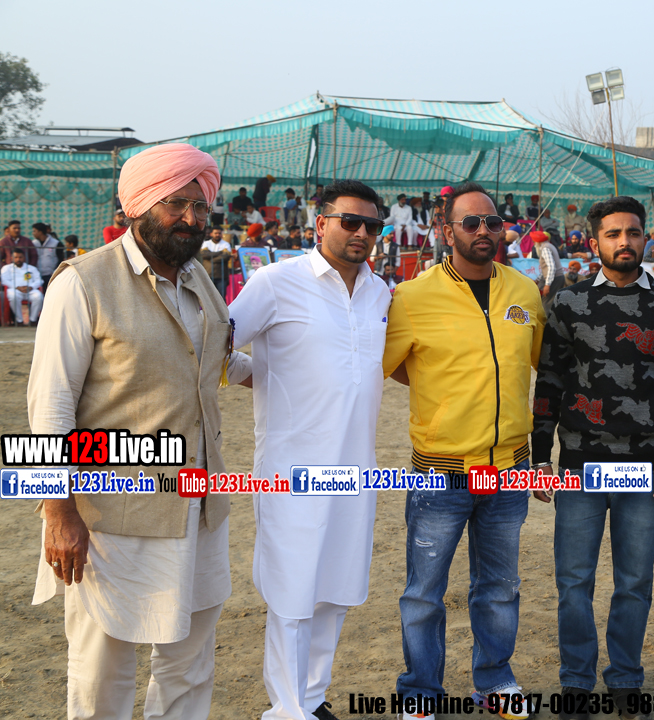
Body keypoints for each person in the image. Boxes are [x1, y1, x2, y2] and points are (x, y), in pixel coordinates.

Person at [27, 142, 251, 719]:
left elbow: (216, 363)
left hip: (200, 505)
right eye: (175, 204)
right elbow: (50, 405)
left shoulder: (200, 280)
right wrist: (59, 512)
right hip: (113, 513)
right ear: (137, 206)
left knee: (190, 660)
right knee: (103, 662)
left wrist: (303, 364)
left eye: (199, 207)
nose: (191, 219)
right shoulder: (83, 283)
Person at [530, 195, 654, 720]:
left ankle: (625, 679)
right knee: (573, 583)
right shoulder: (568, 302)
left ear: (646, 237)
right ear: (594, 241)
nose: (625, 242)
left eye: (633, 232)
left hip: (646, 469)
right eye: (613, 233)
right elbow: (549, 382)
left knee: (635, 583)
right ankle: (576, 683)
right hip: (579, 467)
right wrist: (539, 457)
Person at [229, 179, 390, 720]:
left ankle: (314, 698)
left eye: (372, 225)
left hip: (356, 469)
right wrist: (260, 376)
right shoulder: (275, 282)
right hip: (290, 471)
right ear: (320, 224)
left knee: (337, 588)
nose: (362, 232)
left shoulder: (380, 292)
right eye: (351, 221)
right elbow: (215, 344)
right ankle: (288, 709)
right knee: (293, 591)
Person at [382, 181, 545, 719]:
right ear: (445, 230)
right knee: (423, 593)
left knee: (498, 588)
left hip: (510, 470)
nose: (484, 231)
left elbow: (538, 362)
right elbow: (391, 366)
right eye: (471, 222)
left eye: (492, 222)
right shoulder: (412, 297)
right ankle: (420, 693)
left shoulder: (524, 291)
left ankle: (495, 681)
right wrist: (441, 390)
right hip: (440, 472)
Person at [2, 248, 43, 324]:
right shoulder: (6, 268)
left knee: (39, 296)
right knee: (13, 296)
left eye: (20, 257)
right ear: (11, 258)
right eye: (16, 257)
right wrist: (17, 287)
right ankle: (19, 320)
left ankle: (33, 320)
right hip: (14, 289)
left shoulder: (31, 268)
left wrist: (31, 287)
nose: (18, 259)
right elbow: (4, 280)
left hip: (30, 290)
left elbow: (39, 280)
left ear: (24, 258)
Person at [535, 229, 565, 312]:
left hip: (555, 278)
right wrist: (537, 279)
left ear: (538, 242)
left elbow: (551, 267)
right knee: (549, 303)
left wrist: (547, 285)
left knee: (546, 304)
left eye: (534, 242)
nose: (534, 244)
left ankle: (546, 320)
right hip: (556, 277)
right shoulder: (548, 246)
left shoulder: (545, 248)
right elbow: (545, 269)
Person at [30, 222, 63, 290]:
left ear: (40, 232)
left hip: (51, 275)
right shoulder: (33, 243)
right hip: (37, 275)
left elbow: (61, 259)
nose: (33, 233)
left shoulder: (56, 243)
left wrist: (55, 271)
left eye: (34, 231)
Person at [200, 226, 231, 298]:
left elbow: (225, 256)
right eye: (216, 233)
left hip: (221, 277)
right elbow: (204, 255)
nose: (217, 235)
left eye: (219, 233)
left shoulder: (226, 244)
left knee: (221, 297)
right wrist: (220, 252)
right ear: (211, 234)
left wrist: (212, 259)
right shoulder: (206, 243)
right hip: (208, 276)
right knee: (208, 297)